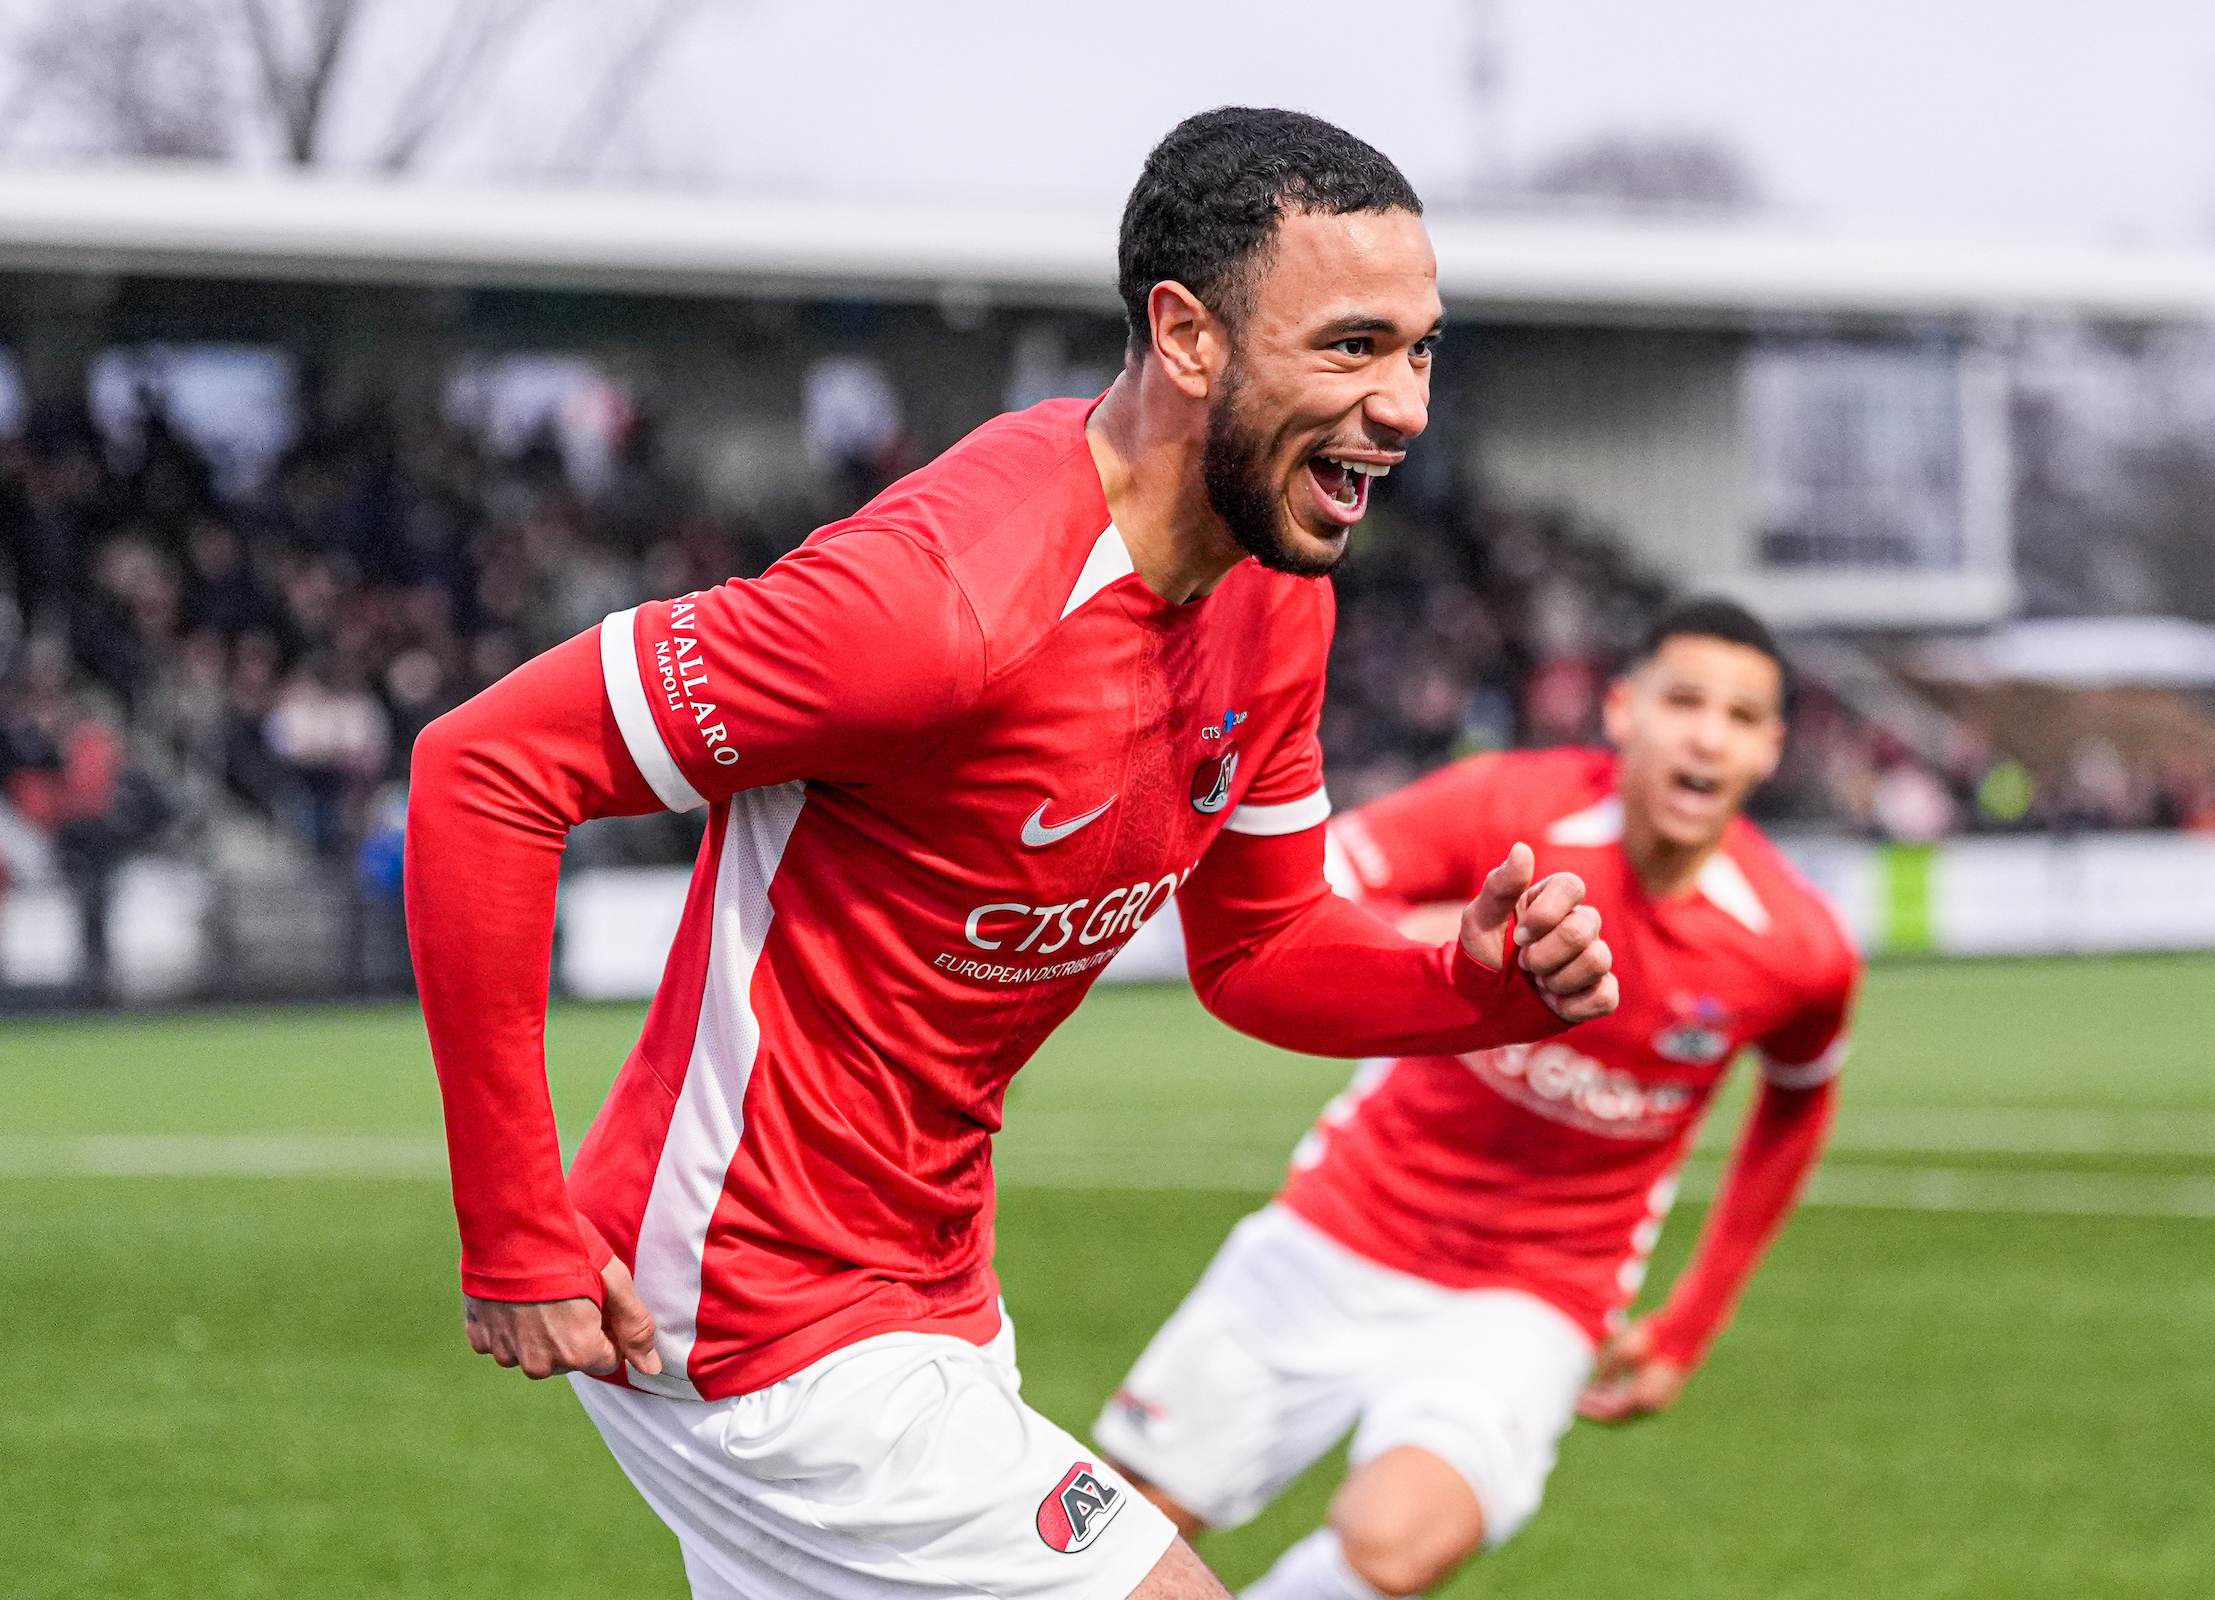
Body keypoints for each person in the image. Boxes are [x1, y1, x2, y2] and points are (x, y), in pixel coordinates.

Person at [405, 107, 1618, 1600]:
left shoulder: (1277, 596)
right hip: (748, 1299)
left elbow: (1262, 946)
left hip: (928, 1290)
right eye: (1353, 347)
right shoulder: (933, 606)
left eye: (1422, 350)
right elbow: (484, 770)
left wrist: (1469, 990)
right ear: (1187, 336)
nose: (1406, 404)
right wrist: (514, 1228)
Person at [1095, 599, 1859, 1600]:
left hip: (1540, 1288)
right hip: (1346, 1224)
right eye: (1683, 701)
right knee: (1127, 1525)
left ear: (1771, 750)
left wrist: (1691, 1320)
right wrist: (1445, 942)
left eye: (1741, 716)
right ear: (1622, 710)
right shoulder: (1508, 808)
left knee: (1396, 1543)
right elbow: (1312, 884)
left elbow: (1799, 1105)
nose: (1707, 736)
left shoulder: (1798, 948)